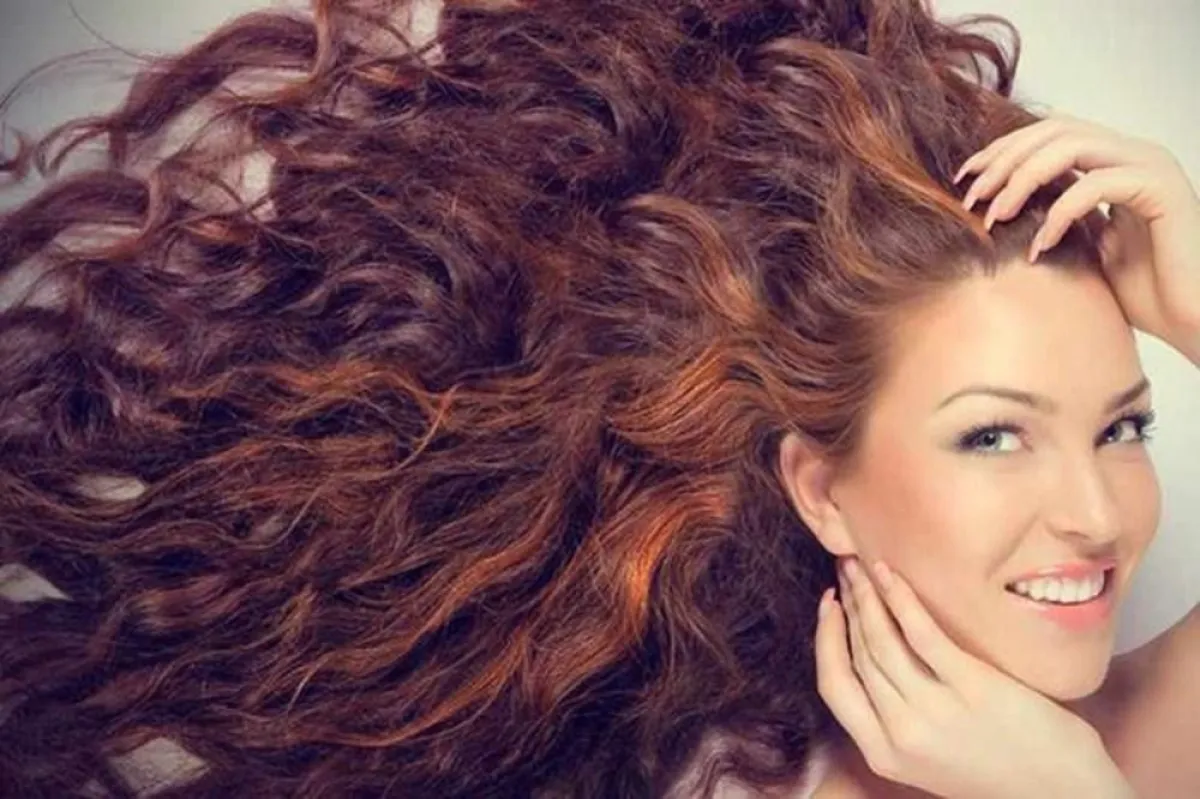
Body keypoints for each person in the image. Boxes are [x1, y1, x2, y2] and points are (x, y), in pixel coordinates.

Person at [0, 1, 1195, 798]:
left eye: (1123, 426)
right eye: (995, 434)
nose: (1097, 515)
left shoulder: (1123, 737)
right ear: (820, 488)